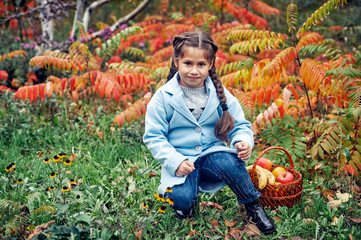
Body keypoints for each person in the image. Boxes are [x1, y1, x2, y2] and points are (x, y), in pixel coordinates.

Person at [143, 30, 275, 235]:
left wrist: (242, 141)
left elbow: (239, 124)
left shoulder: (219, 93)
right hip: (181, 159)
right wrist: (174, 161)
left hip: (211, 155)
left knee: (233, 164)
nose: (194, 71)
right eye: (188, 63)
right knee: (181, 197)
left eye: (201, 65)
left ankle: (253, 205)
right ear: (177, 61)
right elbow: (154, 136)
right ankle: (186, 204)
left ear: (211, 65)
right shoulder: (163, 97)